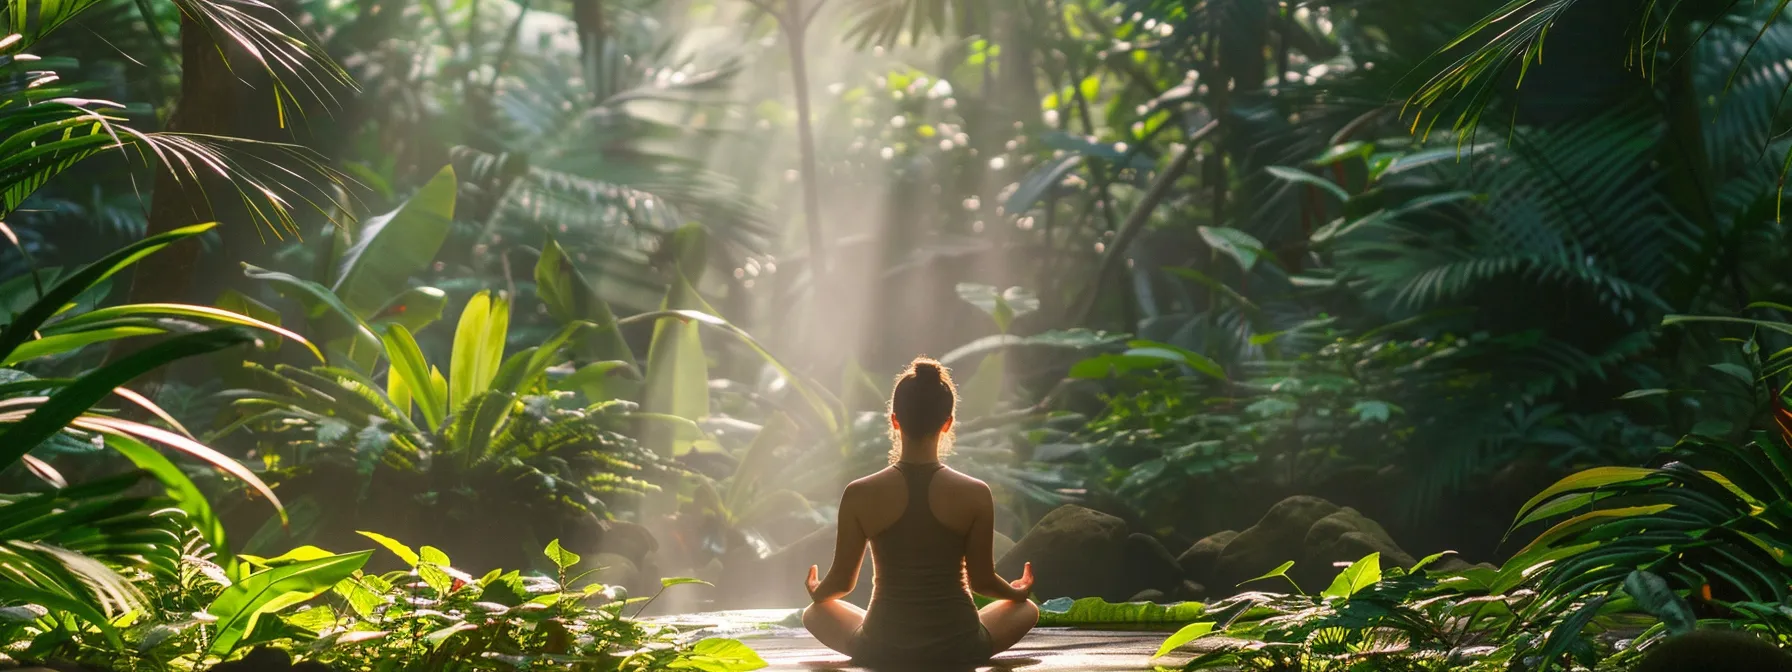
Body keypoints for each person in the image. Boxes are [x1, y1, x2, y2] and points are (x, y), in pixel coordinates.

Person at [801, 357, 1040, 666]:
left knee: (815, 613)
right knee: (1027, 610)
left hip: (881, 646)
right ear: (948, 422)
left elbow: (842, 584)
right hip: (959, 645)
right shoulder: (974, 493)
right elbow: (982, 582)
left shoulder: (860, 492)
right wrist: (1017, 592)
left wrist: (817, 590)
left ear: (894, 419)